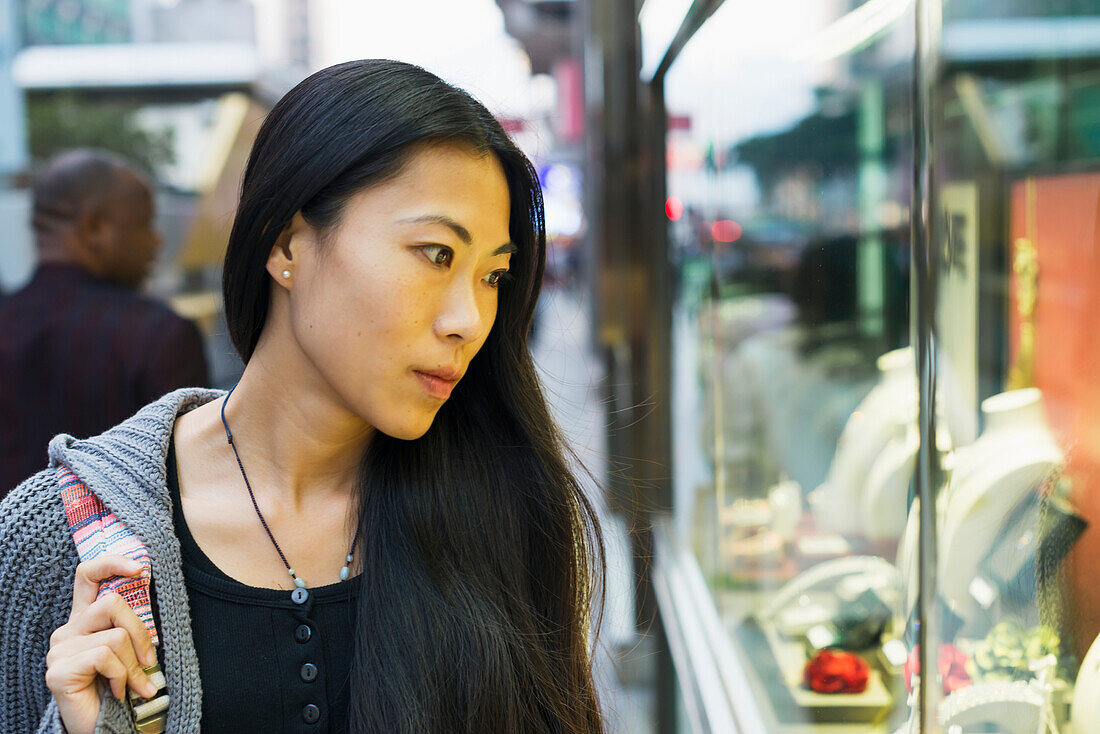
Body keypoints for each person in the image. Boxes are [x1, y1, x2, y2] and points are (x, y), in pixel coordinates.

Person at [0, 60, 605, 734]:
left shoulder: (505, 509)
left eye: (493, 275)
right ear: (288, 243)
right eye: (436, 254)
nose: (468, 318)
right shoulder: (57, 545)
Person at [0, 149, 210, 497]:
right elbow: (196, 487)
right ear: (94, 228)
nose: (156, 241)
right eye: (145, 223)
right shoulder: (161, 336)